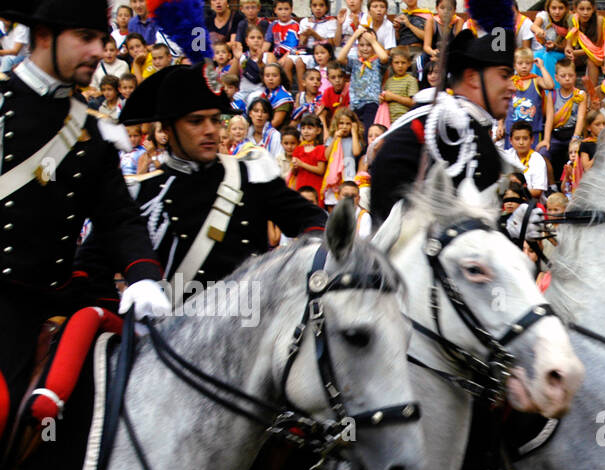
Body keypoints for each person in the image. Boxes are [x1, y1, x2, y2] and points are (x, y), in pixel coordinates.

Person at [0, 0, 168, 436]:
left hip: (57, 298)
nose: (98, 50)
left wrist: (144, 274)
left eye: (101, 39)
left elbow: (118, 217)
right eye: (85, 38)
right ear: (43, 38)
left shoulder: (93, 130)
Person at [110, 65, 327, 305]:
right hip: (173, 331)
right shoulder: (145, 192)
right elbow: (95, 265)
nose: (210, 130)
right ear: (168, 129)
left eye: (215, 120)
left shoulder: (251, 174)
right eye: (196, 121)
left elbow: (313, 222)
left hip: (248, 323)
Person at [369, 20, 521, 218]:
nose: (512, 86)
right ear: (472, 78)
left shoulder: (462, 126)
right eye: (504, 75)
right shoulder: (451, 127)